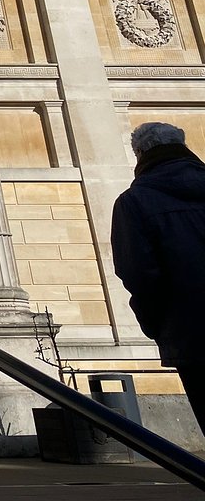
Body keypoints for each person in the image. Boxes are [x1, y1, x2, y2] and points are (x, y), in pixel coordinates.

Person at [111, 121, 205, 431]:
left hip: (192, 333)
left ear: (140, 153)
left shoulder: (134, 202)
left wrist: (157, 325)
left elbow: (138, 273)